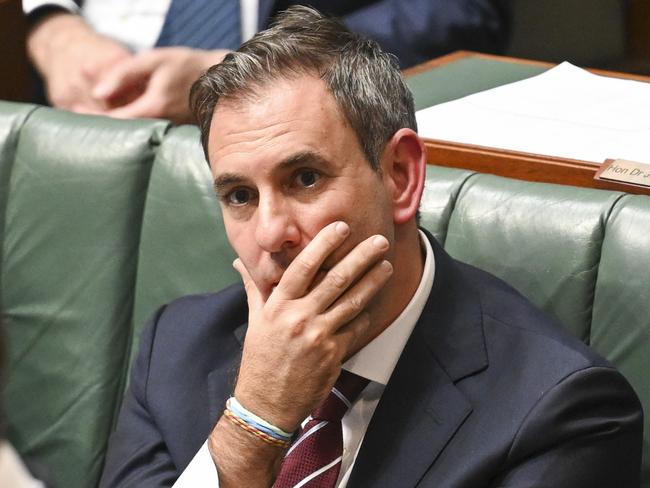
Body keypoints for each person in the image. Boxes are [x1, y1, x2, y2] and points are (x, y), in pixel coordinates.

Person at [100, 6, 642, 487]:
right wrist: (253, 426)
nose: (270, 233)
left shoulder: (560, 412)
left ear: (400, 176)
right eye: (240, 195)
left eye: (305, 178)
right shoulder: (174, 349)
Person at [23, 0, 510, 124]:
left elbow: (459, 12)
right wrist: (48, 24)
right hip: (69, 108)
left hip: (288, 128)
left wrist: (256, 69)